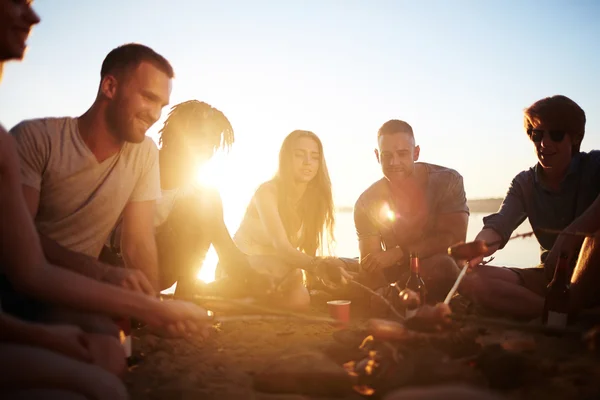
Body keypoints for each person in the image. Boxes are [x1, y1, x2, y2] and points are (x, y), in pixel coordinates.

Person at [100, 100, 270, 297]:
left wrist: (257, 278)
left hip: (157, 276)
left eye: (212, 142)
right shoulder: (133, 162)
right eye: (200, 137)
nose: (206, 148)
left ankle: (184, 300)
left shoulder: (204, 194)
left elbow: (227, 253)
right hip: (109, 267)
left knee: (203, 208)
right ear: (174, 135)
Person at [460, 95, 600, 319]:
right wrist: (478, 247)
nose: (544, 144)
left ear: (574, 138)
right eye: (537, 135)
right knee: (471, 279)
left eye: (555, 134)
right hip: (550, 276)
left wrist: (569, 236)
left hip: (593, 273)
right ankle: (559, 315)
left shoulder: (594, 165)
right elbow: (500, 223)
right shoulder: (524, 183)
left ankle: (564, 309)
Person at [230, 130, 349, 309]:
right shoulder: (267, 192)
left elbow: (309, 247)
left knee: (301, 299)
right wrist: (317, 266)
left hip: (281, 273)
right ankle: (239, 301)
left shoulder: (314, 200)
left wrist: (321, 273)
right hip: (241, 269)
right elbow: (282, 247)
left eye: (315, 157)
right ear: (286, 159)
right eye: (299, 155)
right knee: (292, 274)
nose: (308, 162)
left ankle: (262, 304)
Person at [354, 120, 467, 303]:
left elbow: (455, 239)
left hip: (438, 267)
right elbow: (371, 262)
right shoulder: (366, 202)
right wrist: (378, 288)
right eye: (386, 155)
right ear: (377, 156)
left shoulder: (448, 181)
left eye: (402, 154)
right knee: (357, 272)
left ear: (416, 153)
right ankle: (391, 297)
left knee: (444, 266)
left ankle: (395, 297)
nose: (394, 162)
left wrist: (399, 252)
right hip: (398, 275)